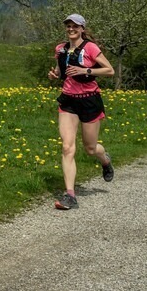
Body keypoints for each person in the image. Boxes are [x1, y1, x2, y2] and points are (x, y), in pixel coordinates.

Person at [46, 13, 115, 210]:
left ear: (82, 28)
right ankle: (70, 196)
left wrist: (86, 71)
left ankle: (105, 160)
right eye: (68, 26)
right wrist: (54, 75)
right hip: (68, 102)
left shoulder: (90, 48)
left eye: (75, 26)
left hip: (89, 101)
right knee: (67, 147)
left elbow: (109, 70)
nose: (71, 29)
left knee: (90, 148)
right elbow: (61, 72)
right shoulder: (60, 49)